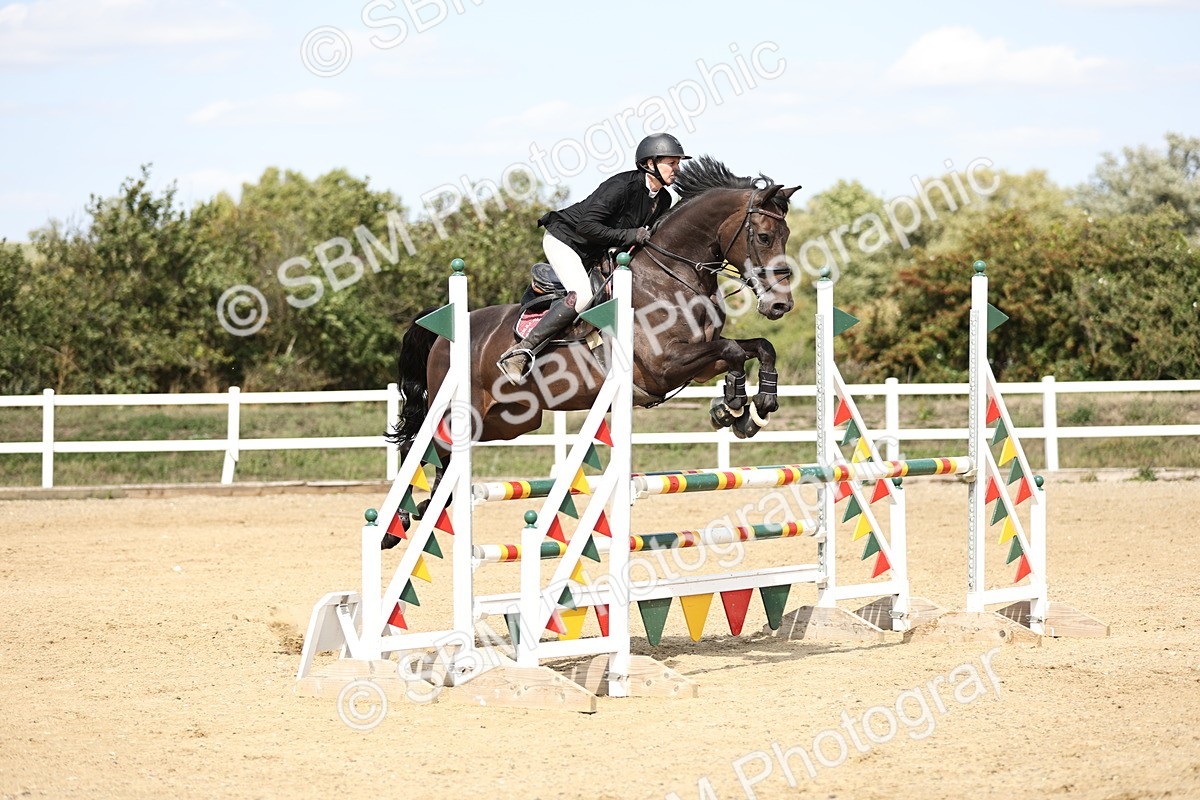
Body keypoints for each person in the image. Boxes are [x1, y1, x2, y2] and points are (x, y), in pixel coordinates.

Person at [496, 132, 691, 384]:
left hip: (596, 251)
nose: (677, 169)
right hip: (565, 240)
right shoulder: (621, 186)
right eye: (672, 163)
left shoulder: (662, 199)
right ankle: (520, 352)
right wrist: (631, 234)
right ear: (650, 164)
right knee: (584, 295)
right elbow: (586, 227)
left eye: (678, 164)